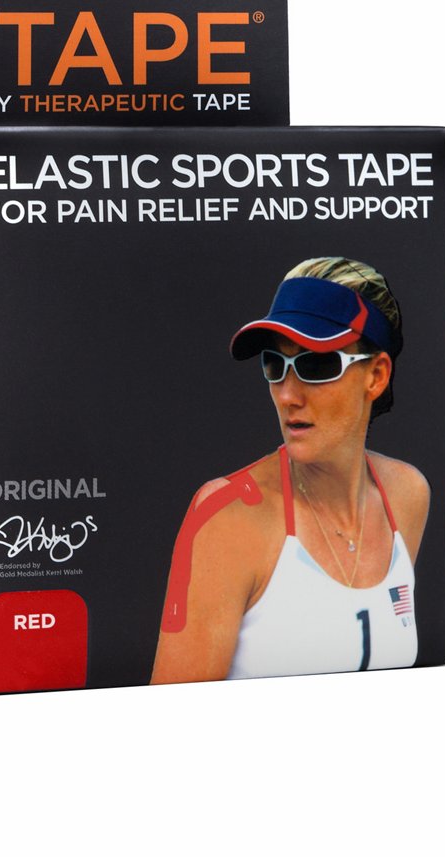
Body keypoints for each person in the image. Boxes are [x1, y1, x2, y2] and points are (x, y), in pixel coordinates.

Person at [151, 257, 429, 682]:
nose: (287, 395)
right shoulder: (228, 519)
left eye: (316, 364)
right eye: (274, 365)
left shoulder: (407, 495)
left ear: (376, 375)